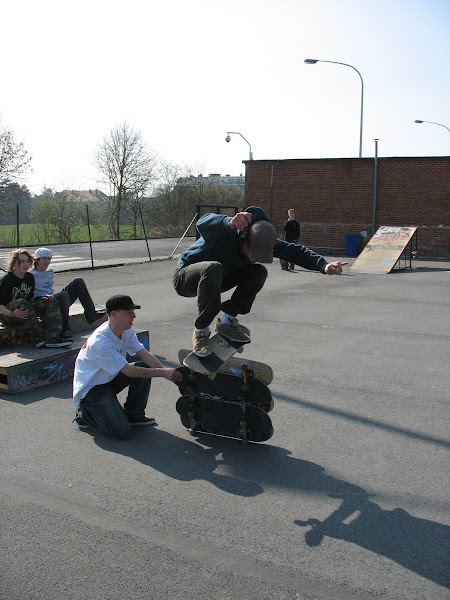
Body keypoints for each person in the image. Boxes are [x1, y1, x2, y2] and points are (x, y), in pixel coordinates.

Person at [173, 206, 347, 357]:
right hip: (186, 278)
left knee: (258, 272)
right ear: (245, 240)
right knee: (213, 268)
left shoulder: (263, 239)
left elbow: (297, 252)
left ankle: (227, 322)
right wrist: (228, 222)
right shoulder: (227, 233)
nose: (255, 259)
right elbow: (203, 222)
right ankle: (201, 333)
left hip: (217, 280)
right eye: (254, 254)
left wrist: (323, 265)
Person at [73, 294, 183, 438]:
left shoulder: (126, 330)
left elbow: (144, 354)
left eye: (133, 311)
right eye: (129, 312)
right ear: (114, 314)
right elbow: (129, 371)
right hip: (91, 389)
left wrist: (170, 375)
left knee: (144, 365)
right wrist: (162, 373)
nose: (134, 316)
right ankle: (85, 414)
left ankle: (134, 415)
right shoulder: (100, 342)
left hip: (109, 379)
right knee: (121, 431)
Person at [0, 248, 72, 348]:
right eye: (22, 262)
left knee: (50, 300)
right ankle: (38, 337)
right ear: (14, 264)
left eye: (27, 261)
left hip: (25, 310)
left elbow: (31, 299)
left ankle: (52, 338)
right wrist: (12, 314)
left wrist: (43, 299)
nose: (26, 264)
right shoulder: (6, 280)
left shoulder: (29, 277)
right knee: (21, 302)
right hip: (8, 315)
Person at [31, 247, 106, 341]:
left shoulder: (50, 271)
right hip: (42, 302)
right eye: (44, 259)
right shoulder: (31, 274)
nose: (47, 261)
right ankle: (64, 330)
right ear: (37, 260)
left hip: (53, 300)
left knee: (78, 281)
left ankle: (91, 314)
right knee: (63, 295)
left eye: (49, 259)